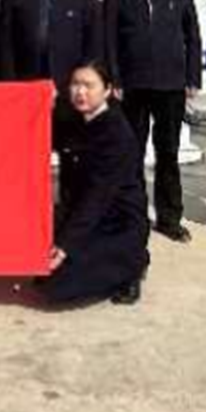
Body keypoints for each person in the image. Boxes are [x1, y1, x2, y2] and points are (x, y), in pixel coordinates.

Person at [104, 0, 202, 243]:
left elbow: (192, 35)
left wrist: (192, 77)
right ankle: (132, 216)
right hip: (131, 85)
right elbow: (109, 38)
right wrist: (113, 78)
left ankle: (170, 219)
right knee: (130, 155)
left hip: (171, 84)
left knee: (168, 153)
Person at [40, 62, 150, 307]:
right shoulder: (71, 120)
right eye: (75, 85)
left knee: (57, 286)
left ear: (107, 90)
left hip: (116, 221)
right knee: (38, 266)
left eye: (88, 86)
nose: (80, 92)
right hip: (79, 212)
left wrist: (64, 246)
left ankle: (132, 267)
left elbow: (96, 198)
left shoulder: (116, 133)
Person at [0, 0, 102, 174]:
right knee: (25, 156)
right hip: (25, 87)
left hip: (69, 89)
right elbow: (4, 42)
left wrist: (84, 84)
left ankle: (70, 200)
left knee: (72, 157)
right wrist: (10, 84)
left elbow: (93, 43)